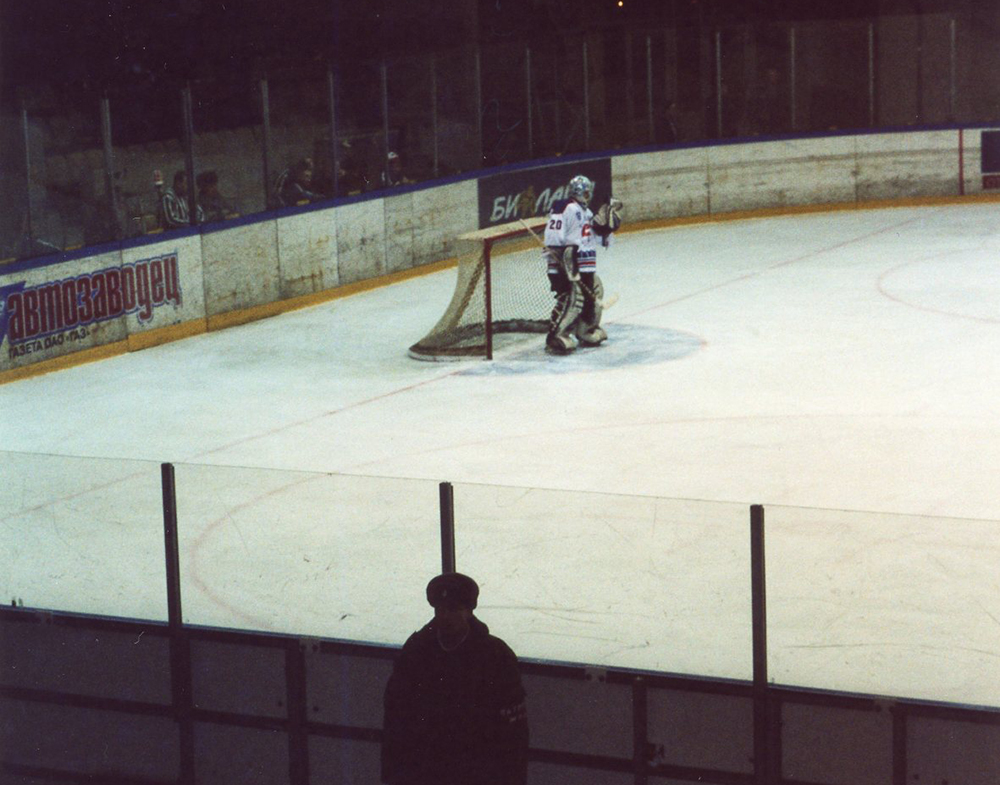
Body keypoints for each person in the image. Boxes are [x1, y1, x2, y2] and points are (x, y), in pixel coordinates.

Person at [381, 573, 528, 785]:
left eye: (454, 609)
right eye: (440, 609)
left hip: (477, 773)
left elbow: (513, 734)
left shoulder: (496, 656)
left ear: (469, 612)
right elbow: (395, 719)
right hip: (424, 771)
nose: (446, 616)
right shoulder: (416, 652)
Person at [543, 175, 622, 355]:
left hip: (584, 266)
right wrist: (565, 262)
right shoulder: (565, 207)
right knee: (573, 298)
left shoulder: (586, 213)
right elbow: (553, 237)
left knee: (595, 289)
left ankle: (585, 329)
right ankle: (556, 334)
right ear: (578, 192)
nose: (588, 196)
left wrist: (608, 228)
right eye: (586, 192)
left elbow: (597, 239)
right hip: (566, 265)